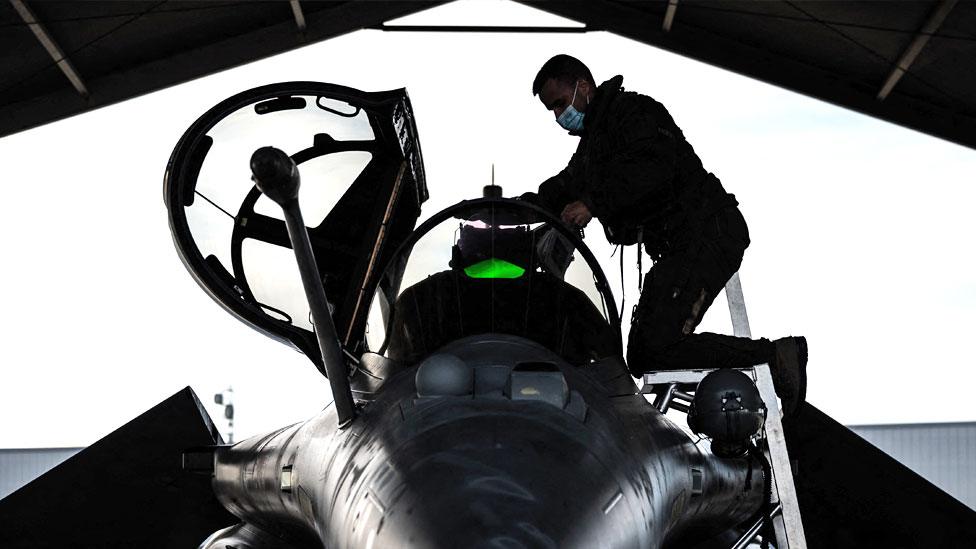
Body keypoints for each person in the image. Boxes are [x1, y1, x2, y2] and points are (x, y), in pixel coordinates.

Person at [523, 54, 807, 414]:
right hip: (677, 246)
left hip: (705, 233)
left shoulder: (634, 114)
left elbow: (652, 170)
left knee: (658, 345)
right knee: (643, 354)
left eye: (561, 104)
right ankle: (767, 361)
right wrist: (513, 211)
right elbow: (561, 189)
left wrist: (593, 203)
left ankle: (775, 357)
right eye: (552, 110)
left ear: (583, 85)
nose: (559, 117)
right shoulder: (594, 150)